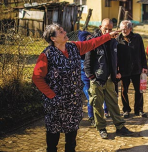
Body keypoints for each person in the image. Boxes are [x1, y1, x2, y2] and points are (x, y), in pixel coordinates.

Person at [32, 23, 119, 151]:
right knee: (53, 135)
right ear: (53, 38)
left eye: (63, 30)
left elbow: (92, 43)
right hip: (56, 102)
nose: (64, 32)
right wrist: (51, 95)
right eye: (60, 31)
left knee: (72, 135)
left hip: (73, 100)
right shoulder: (47, 54)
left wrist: (108, 36)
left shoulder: (73, 47)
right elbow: (37, 77)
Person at [84, 18, 133, 139]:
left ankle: (120, 127)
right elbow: (87, 61)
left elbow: (116, 58)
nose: (108, 31)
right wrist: (92, 77)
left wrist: (117, 72)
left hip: (110, 78)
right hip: (97, 79)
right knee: (97, 105)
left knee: (113, 104)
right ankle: (101, 128)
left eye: (110, 29)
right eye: (105, 28)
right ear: (100, 27)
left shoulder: (113, 41)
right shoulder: (92, 40)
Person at [116, 20, 148, 118]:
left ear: (130, 29)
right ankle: (126, 110)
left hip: (136, 69)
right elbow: (115, 57)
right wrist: (117, 71)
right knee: (124, 91)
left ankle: (139, 110)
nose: (123, 30)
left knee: (139, 90)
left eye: (125, 29)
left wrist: (144, 66)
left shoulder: (137, 38)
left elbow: (142, 52)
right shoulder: (117, 39)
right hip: (123, 70)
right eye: (122, 29)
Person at [78, 30, 95, 125]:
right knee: (90, 97)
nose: (90, 38)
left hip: (93, 76)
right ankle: (91, 116)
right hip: (84, 78)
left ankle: (94, 115)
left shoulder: (92, 47)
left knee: (95, 97)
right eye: (88, 38)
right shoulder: (80, 50)